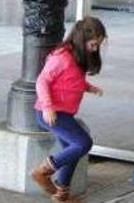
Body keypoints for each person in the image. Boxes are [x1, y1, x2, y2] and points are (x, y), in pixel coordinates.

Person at [31, 18, 106, 202]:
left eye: (99, 45)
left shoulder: (76, 57)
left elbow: (72, 80)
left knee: (72, 151)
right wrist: (48, 107)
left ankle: (61, 195)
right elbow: (42, 81)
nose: (95, 49)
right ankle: (42, 173)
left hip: (62, 112)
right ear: (82, 39)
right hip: (51, 113)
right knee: (83, 143)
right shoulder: (61, 57)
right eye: (94, 44)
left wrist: (89, 88)